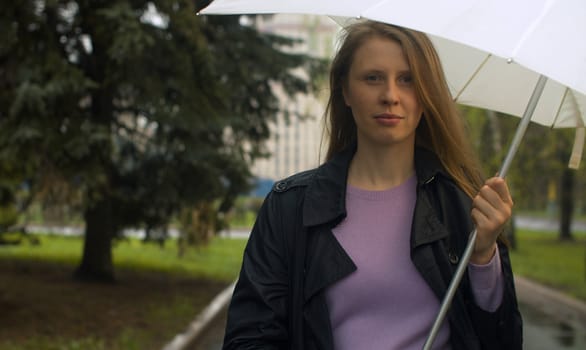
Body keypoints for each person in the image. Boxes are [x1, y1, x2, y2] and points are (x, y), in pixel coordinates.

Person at [222, 20, 523, 350]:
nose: (390, 96)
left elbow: (501, 341)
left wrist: (483, 254)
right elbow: (250, 339)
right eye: (373, 78)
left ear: (426, 94)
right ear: (346, 91)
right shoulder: (289, 207)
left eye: (407, 79)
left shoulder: (463, 204)